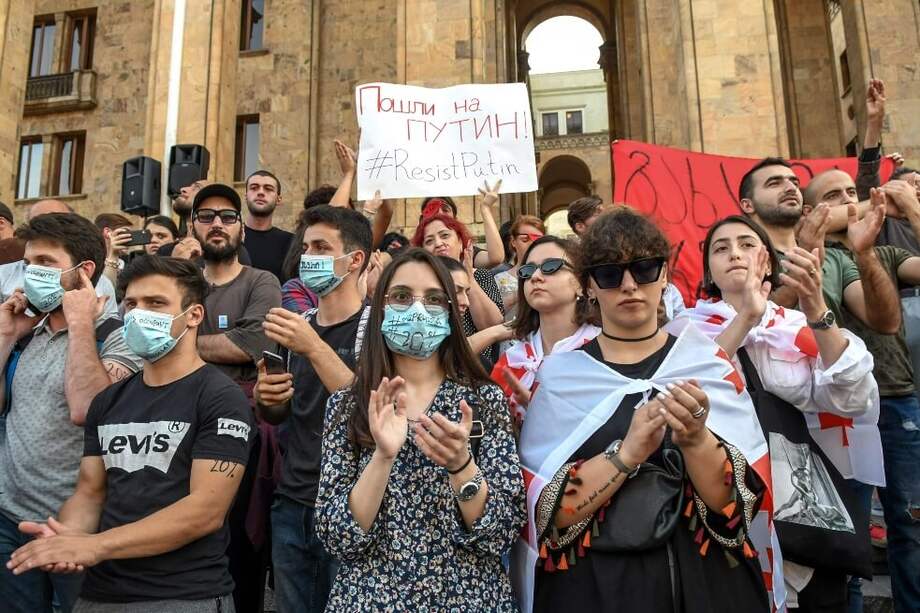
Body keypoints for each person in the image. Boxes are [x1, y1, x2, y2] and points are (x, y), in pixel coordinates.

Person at [514, 208, 773, 613]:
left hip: (709, 586)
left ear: (665, 276)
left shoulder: (709, 365)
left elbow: (737, 509)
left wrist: (696, 440)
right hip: (595, 590)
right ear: (589, 287)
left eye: (645, 268)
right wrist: (626, 454)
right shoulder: (561, 378)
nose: (630, 285)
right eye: (609, 274)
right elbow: (546, 514)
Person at [6, 255, 253, 612]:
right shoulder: (109, 400)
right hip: (99, 594)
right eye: (132, 304)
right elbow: (90, 493)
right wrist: (68, 533)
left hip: (182, 595)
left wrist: (95, 545)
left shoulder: (219, 398)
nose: (138, 314)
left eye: (156, 303)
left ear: (194, 315)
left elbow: (205, 511)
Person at [672, 215, 883, 610]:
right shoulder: (682, 331)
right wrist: (746, 318)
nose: (734, 253)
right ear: (710, 274)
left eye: (747, 244)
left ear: (769, 263)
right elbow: (688, 389)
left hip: (802, 510)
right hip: (721, 507)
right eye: (721, 248)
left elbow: (853, 397)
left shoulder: (799, 326)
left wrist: (815, 303)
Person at [314, 247, 526, 610]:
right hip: (372, 600)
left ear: (450, 311)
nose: (416, 310)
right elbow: (339, 539)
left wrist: (462, 467)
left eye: (432, 298)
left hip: (468, 599)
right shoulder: (349, 405)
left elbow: (501, 533)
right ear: (380, 307)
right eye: (400, 296)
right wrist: (382, 457)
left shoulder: (483, 402)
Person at [0, 213, 143, 612]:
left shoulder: (119, 336)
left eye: (45, 263)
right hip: (9, 518)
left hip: (75, 528)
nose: (31, 274)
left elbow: (86, 409)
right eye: (28, 265)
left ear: (85, 271)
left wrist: (81, 324)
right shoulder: (29, 331)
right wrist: (6, 334)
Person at [801, 170, 920, 613]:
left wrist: (911, 207)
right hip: (837, 411)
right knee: (845, 536)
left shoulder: (884, 251)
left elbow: (884, 320)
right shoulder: (818, 258)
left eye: (854, 192)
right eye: (835, 196)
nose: (853, 202)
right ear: (812, 213)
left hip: (896, 397)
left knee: (910, 523)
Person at [254, 204, 372, 613]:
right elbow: (278, 414)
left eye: (322, 247)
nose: (309, 257)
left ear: (355, 260)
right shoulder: (295, 327)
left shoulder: (376, 330)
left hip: (353, 504)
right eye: (306, 247)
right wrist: (267, 400)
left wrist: (314, 346)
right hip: (292, 501)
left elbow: (370, 414)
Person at [189, 183, 281, 612]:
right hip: (181, 427)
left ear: (241, 228)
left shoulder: (262, 280)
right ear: (193, 226)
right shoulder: (181, 282)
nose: (217, 224)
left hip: (240, 431)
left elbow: (254, 342)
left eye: (227, 216)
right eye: (206, 216)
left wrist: (183, 342)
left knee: (242, 552)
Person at [738, 157, 901, 335]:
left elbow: (886, 323)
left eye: (794, 182)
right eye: (774, 183)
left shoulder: (835, 257)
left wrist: (865, 253)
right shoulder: (740, 256)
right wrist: (806, 257)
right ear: (748, 205)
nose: (791, 188)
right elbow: (753, 322)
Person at [484, 235, 600, 428]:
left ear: (581, 284)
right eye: (527, 270)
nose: (535, 277)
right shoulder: (512, 360)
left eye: (551, 266)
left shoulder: (605, 349)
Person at [412, 213, 504, 364]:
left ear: (461, 242)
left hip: (478, 366)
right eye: (429, 241)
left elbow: (493, 326)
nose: (438, 243)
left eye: (445, 235)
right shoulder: (419, 286)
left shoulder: (481, 276)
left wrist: (469, 280)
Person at [0, 200, 119, 317]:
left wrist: (81, 325)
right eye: (39, 222)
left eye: (44, 261)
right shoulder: (4, 275)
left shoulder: (102, 285)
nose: (46, 228)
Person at [419, 180, 505, 269]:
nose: (440, 214)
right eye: (433, 210)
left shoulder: (468, 252)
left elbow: (496, 258)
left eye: (445, 210)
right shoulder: (414, 257)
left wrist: (485, 208)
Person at [243, 170, 294, 282]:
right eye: (254, 187)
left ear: (278, 199)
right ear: (246, 196)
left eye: (268, 189)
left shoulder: (291, 242)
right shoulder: (230, 238)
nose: (260, 192)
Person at [493, 215, 545, 321]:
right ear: (513, 242)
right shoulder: (498, 279)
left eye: (538, 239)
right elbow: (491, 315)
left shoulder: (553, 275)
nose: (532, 243)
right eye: (525, 239)